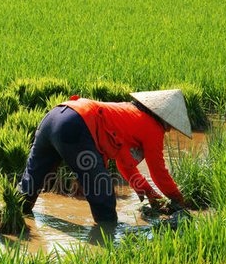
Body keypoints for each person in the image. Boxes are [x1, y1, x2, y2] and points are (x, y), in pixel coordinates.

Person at [20, 89, 192, 224]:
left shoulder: (127, 112)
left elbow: (125, 165)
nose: (169, 129)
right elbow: (158, 171)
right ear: (166, 119)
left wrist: (148, 192)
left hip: (53, 117)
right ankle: (106, 240)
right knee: (102, 193)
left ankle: (13, 217)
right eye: (170, 125)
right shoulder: (153, 128)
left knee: (30, 183)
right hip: (76, 126)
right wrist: (178, 199)